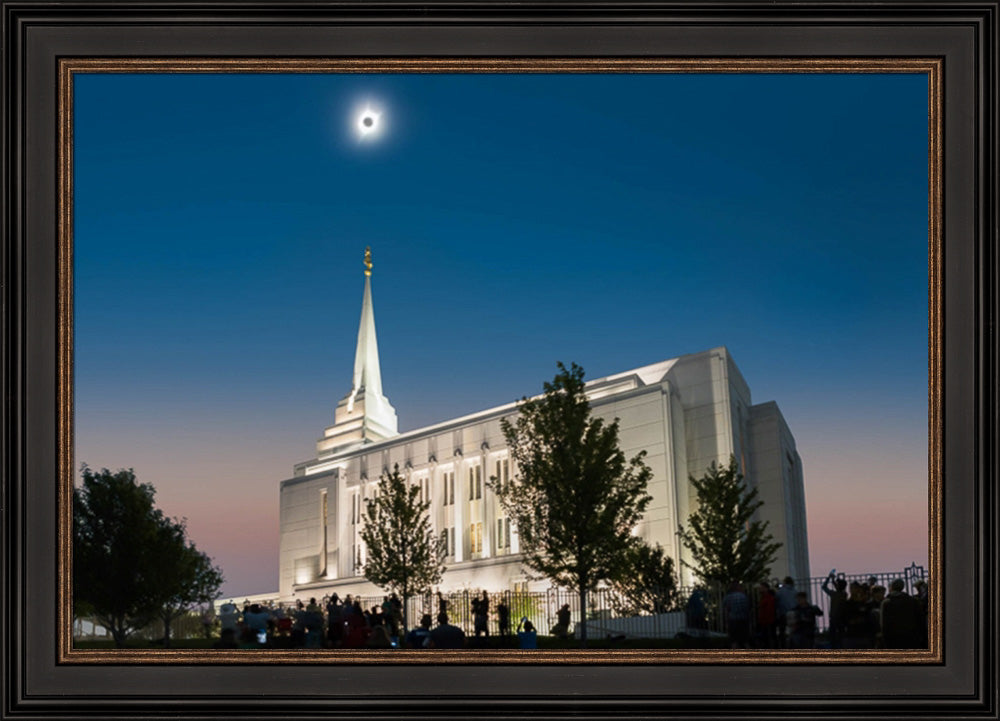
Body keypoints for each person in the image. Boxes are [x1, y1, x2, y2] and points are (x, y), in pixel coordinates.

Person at [880, 579, 924, 648]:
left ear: (891, 587)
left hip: (893, 638)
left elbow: (884, 624)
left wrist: (885, 639)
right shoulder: (912, 601)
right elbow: (920, 619)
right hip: (911, 637)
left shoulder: (886, 603)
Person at [821, 573, 848, 649]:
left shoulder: (834, 594)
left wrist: (829, 578)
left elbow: (824, 587)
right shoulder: (844, 594)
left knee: (832, 637)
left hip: (834, 618)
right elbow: (839, 587)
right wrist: (833, 580)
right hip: (841, 619)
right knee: (841, 637)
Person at [722, 582, 750, 649]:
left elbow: (726, 609)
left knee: (734, 640)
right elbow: (748, 608)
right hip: (743, 619)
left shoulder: (728, 597)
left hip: (733, 619)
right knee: (745, 639)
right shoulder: (744, 596)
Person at [775, 577, 798, 648]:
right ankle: (794, 645)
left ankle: (783, 646)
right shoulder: (795, 591)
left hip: (783, 613)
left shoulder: (781, 591)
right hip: (794, 613)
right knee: (793, 630)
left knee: (782, 631)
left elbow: (776, 600)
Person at [756, 582, 777, 648]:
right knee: (767, 638)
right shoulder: (765, 597)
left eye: (761, 588)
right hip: (766, 620)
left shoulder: (768, 597)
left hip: (767, 621)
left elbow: (769, 610)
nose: (759, 589)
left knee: (768, 638)